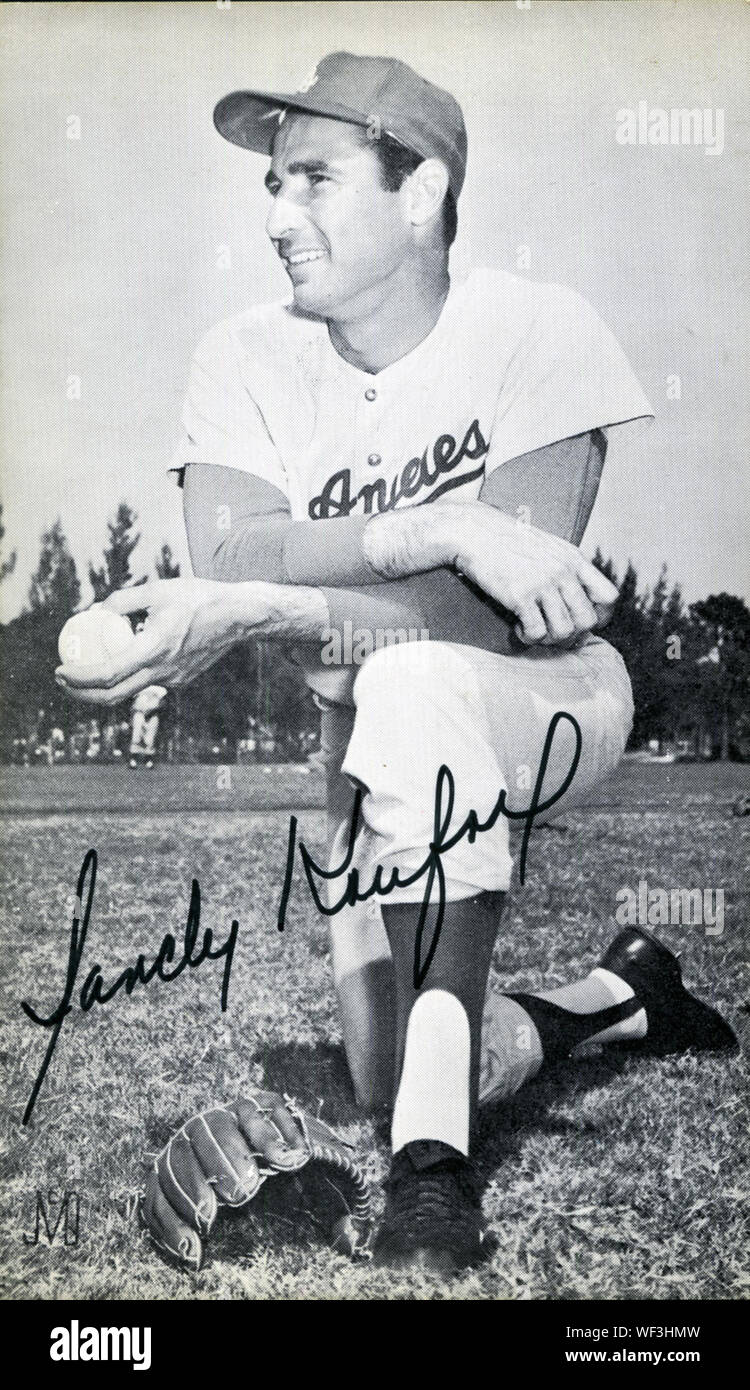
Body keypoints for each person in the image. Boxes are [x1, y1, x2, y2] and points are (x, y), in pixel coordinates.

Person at [56, 52, 736, 1270]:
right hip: (367, 741)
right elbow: (228, 545)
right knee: (401, 1066)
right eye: (272, 187)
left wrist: (285, 595)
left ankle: (433, 1182)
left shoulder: (535, 326)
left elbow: (487, 615)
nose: (276, 219)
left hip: (551, 697)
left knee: (418, 683)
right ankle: (619, 995)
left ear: (419, 192)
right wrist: (439, 522)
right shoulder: (245, 353)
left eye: (314, 180)